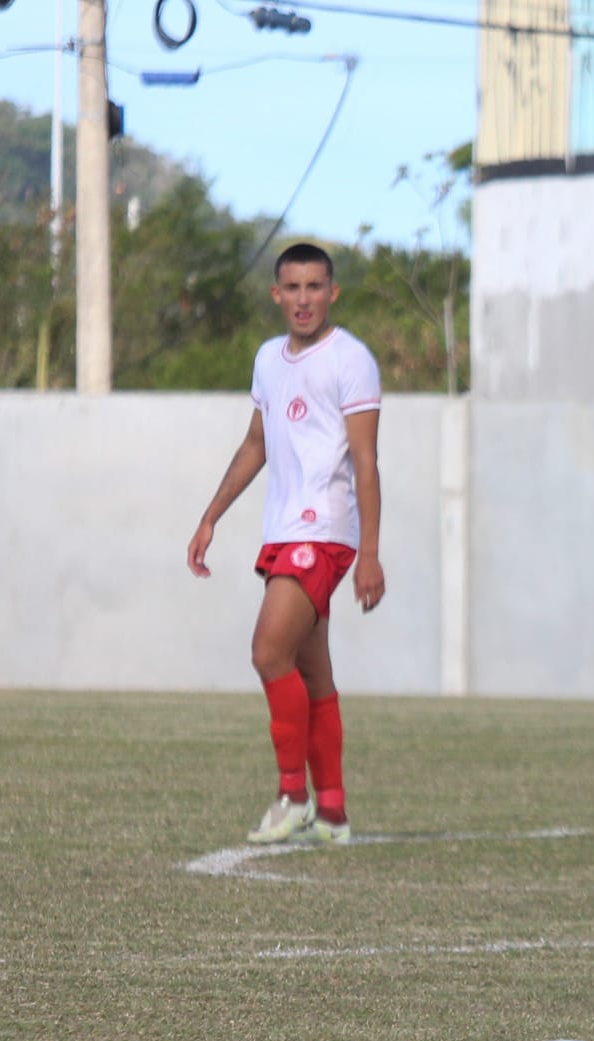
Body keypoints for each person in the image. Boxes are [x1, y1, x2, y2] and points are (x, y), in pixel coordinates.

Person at [186, 242, 384, 846]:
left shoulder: (351, 360)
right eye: (292, 288)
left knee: (268, 653)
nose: (303, 299)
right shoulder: (269, 359)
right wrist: (211, 515)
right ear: (277, 294)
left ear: (333, 293)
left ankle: (292, 796)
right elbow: (256, 444)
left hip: (322, 530)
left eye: (315, 287)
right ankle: (332, 810)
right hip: (284, 532)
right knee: (311, 673)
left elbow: (366, 461)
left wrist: (369, 552)